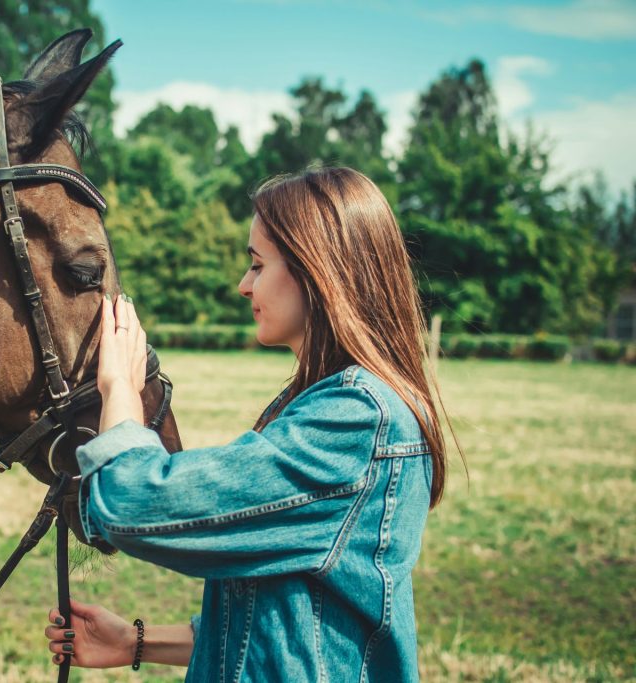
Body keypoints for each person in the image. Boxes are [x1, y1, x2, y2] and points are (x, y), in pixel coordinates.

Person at [44, 167, 452, 681]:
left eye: (258, 265)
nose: (244, 285)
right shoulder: (332, 405)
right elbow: (283, 621)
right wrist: (135, 642)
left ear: (315, 270)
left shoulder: (356, 420)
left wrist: (120, 392)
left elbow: (134, 505)